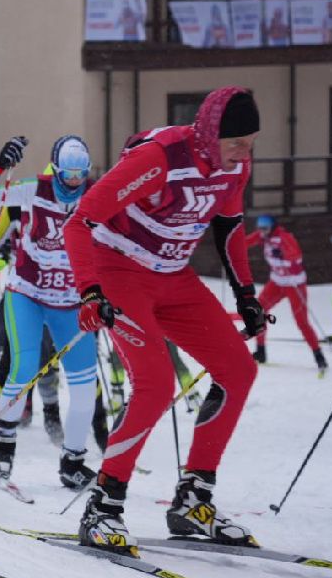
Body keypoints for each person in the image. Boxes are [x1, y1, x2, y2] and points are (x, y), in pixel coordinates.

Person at [65, 86, 266, 553]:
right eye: (238, 142)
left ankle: (195, 498)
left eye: (252, 142)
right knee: (155, 383)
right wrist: (90, 291)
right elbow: (80, 222)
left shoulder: (234, 164)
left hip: (173, 277)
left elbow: (230, 227)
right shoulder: (159, 158)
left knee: (239, 371)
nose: (245, 153)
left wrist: (247, 295)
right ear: (212, 134)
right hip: (120, 273)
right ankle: (104, 505)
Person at [0, 135, 100, 488]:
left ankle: (73, 461)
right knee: (25, 366)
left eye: (80, 175)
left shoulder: (95, 197)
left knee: (85, 385)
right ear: (56, 170)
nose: (74, 182)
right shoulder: (32, 190)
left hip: (72, 302)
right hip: (27, 294)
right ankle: (3, 447)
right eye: (68, 175)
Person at [245, 214, 327, 372]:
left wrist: (283, 253)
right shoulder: (264, 236)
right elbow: (246, 242)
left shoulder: (284, 237)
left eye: (265, 228)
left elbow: (296, 255)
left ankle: (318, 355)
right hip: (277, 282)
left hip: (294, 283)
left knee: (301, 321)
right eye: (260, 228)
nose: (262, 231)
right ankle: (261, 352)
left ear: (273, 227)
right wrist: (231, 247)